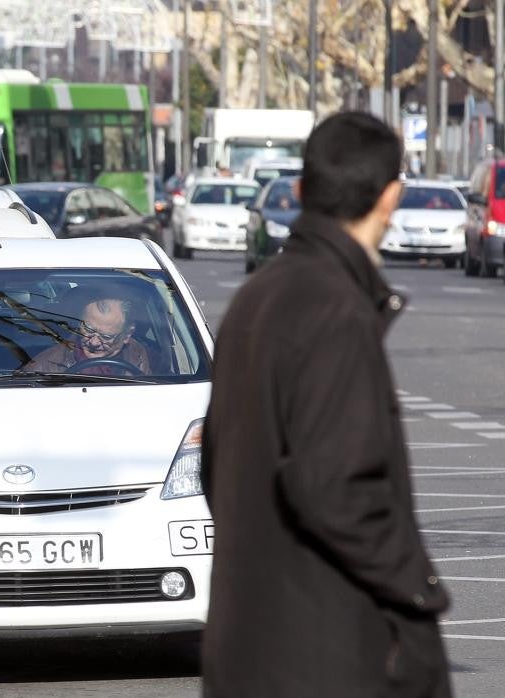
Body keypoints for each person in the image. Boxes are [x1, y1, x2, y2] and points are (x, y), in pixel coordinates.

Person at [201, 112, 450, 697]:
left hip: (251, 648)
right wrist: (418, 587)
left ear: (304, 190)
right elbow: (334, 487)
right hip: (328, 656)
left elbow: (218, 466)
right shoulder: (335, 309)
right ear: (391, 197)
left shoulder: (256, 297)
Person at [23, 288, 151, 375]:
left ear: (127, 335)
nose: (94, 342)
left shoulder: (136, 354)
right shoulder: (45, 365)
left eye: (106, 336)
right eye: (88, 329)